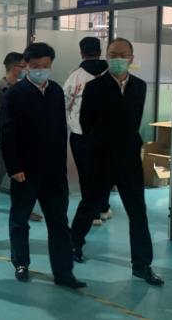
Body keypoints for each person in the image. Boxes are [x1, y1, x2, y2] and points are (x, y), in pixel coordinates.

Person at [71, 38, 164, 286]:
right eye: (113, 55)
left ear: (131, 58)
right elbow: (85, 123)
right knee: (90, 203)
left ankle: (142, 265)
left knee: (138, 211)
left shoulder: (140, 87)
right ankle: (74, 244)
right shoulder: (94, 87)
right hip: (100, 158)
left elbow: (134, 121)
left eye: (123, 55)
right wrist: (99, 143)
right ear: (106, 57)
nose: (118, 59)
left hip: (129, 160)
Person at [0, 43, 86, 289]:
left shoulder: (56, 91)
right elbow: (7, 132)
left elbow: (60, 129)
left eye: (46, 66)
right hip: (25, 171)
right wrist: (14, 167)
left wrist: (63, 164)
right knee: (20, 219)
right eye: (35, 66)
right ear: (25, 66)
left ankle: (64, 273)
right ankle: (21, 263)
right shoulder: (14, 94)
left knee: (59, 223)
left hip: (54, 172)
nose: (41, 70)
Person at [0, 52, 44, 222]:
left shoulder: (22, 87)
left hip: (20, 140)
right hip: (0, 139)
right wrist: (7, 114)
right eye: (23, 66)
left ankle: (25, 208)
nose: (25, 69)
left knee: (23, 175)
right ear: (14, 68)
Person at [64, 37, 112, 226]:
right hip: (108, 134)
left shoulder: (75, 77)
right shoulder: (113, 74)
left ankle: (93, 213)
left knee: (86, 173)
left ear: (81, 53)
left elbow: (65, 102)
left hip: (81, 133)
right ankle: (103, 207)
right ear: (100, 52)